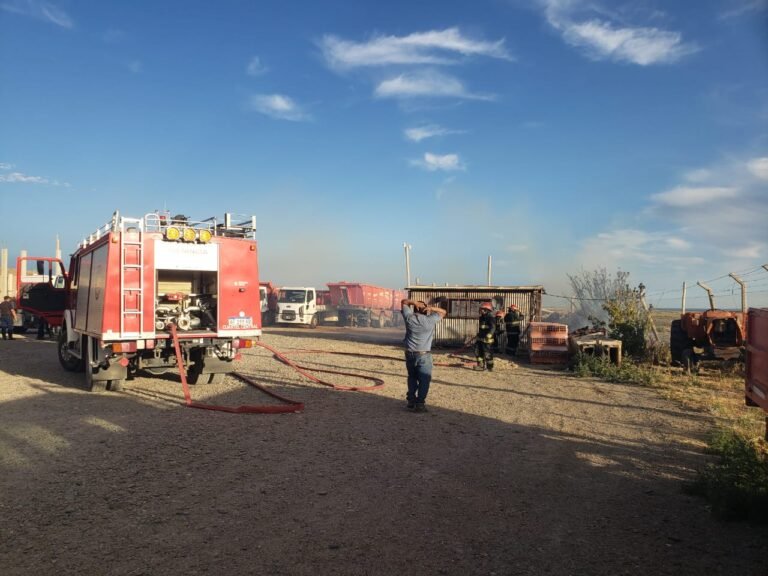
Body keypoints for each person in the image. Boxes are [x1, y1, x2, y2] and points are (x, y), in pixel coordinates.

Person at [401, 298, 447, 412]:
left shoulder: (409, 318)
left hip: (410, 354)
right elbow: (443, 312)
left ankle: (411, 401)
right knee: (424, 380)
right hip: (424, 355)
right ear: (426, 310)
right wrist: (432, 308)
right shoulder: (430, 320)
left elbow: (404, 302)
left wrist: (414, 303)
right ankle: (420, 404)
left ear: (415, 309)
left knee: (412, 377)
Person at [475, 302, 496, 371]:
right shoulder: (481, 318)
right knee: (478, 352)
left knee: (487, 354)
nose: (481, 310)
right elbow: (482, 328)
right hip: (480, 338)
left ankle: (489, 367)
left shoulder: (491, 318)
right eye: (481, 309)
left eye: (483, 309)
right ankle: (480, 365)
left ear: (487, 310)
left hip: (487, 340)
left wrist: (489, 335)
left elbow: (493, 328)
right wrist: (479, 335)